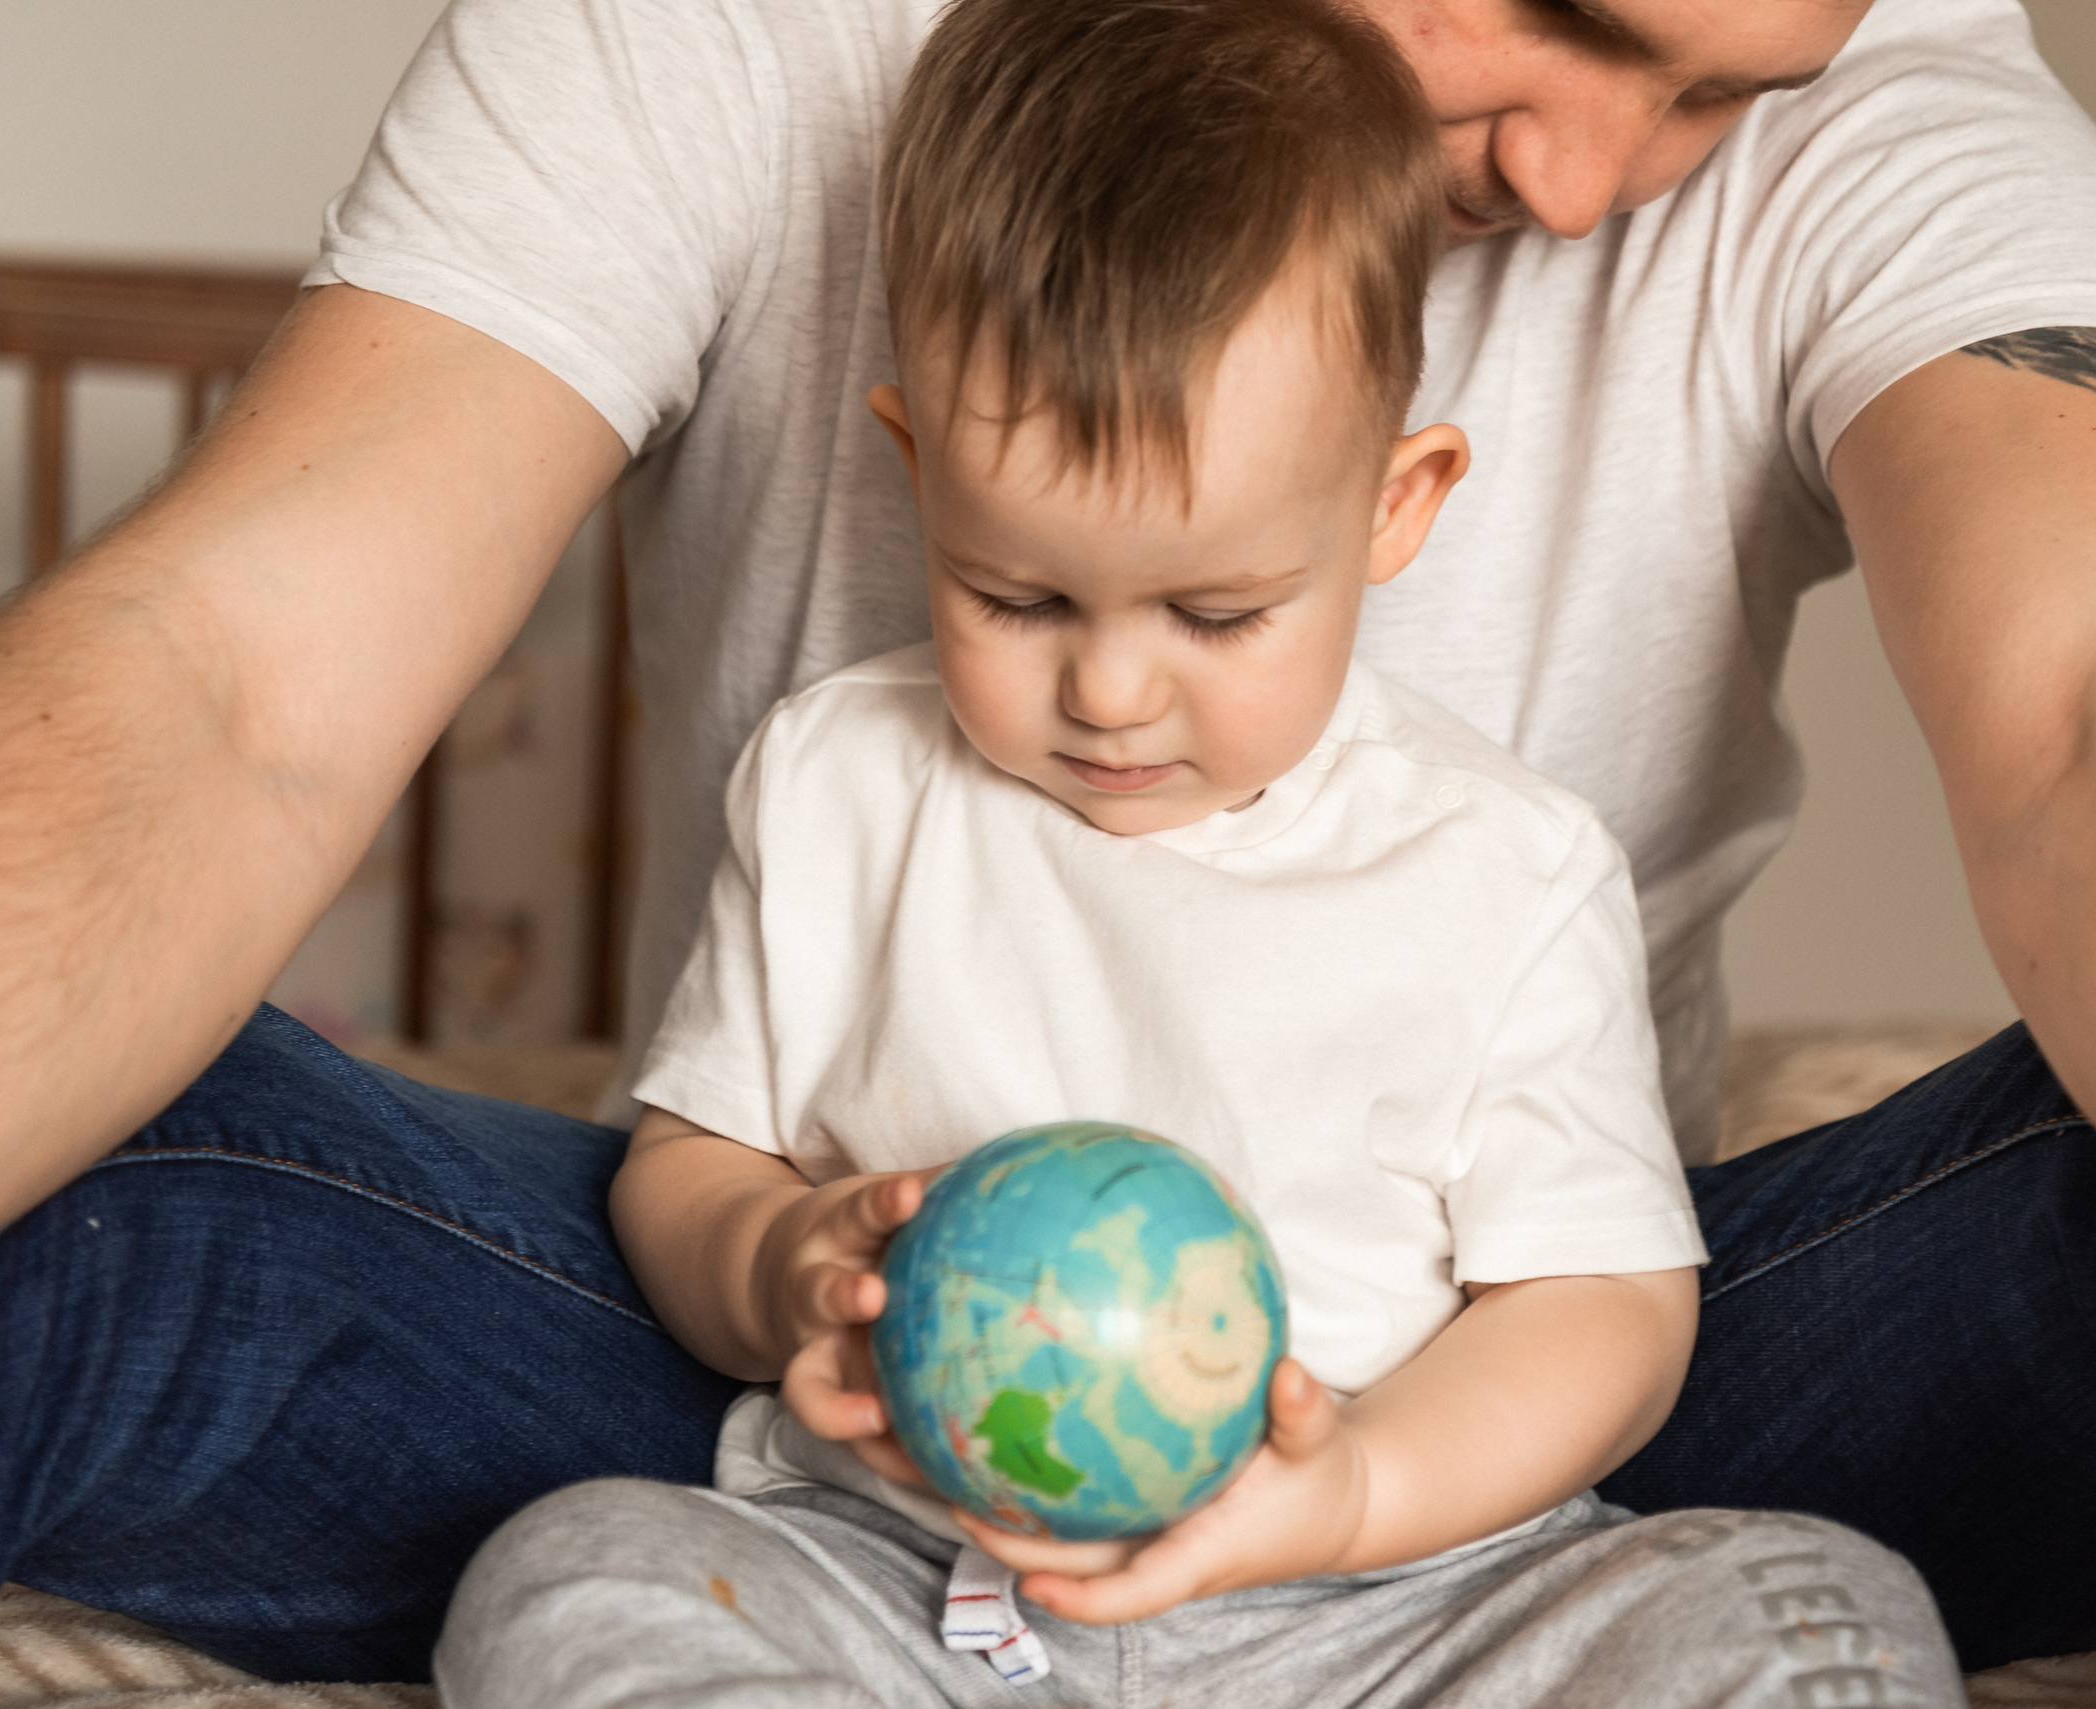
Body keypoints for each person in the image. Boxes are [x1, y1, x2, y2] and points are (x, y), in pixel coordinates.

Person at [0, 0, 2096, 1699]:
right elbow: (219, 694)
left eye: (1711, 88)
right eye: (1563, 4)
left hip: (1486, 1421)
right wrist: (790, 1260)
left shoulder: (1879, 108)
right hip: (809, 1428)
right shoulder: (737, 72)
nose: (1591, 182)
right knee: (85, 1142)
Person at [431, 6, 1965, 1703]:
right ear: (916, 464)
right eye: (1014, 595)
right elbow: (683, 1166)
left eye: (1220, 610)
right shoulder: (834, 782)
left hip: (1392, 1596)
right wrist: (782, 1265)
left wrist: (1357, 1488)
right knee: (570, 1574)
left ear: (1398, 503)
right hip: (899, 1564)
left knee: (1809, 1607)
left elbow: (1604, 1306)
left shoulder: (1505, 866)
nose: (1107, 689)